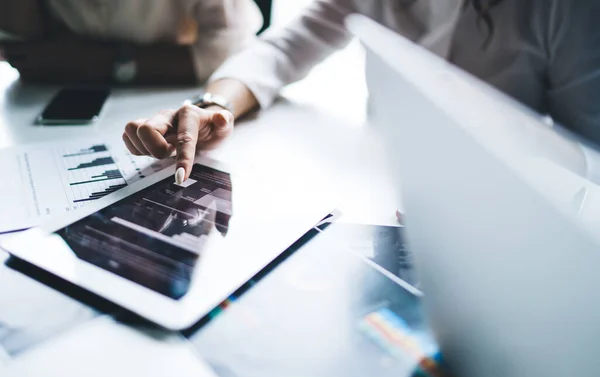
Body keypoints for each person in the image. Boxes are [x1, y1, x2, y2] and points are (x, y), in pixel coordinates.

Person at [122, 0, 600, 183]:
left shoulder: (568, 11)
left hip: (498, 207)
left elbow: (591, 152)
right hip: (375, 185)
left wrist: (506, 144)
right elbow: (285, 48)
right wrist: (216, 106)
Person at [0, 0, 262, 85]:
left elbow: (230, 45)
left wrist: (102, 62)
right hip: (50, 94)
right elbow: (17, 48)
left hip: (160, 95)